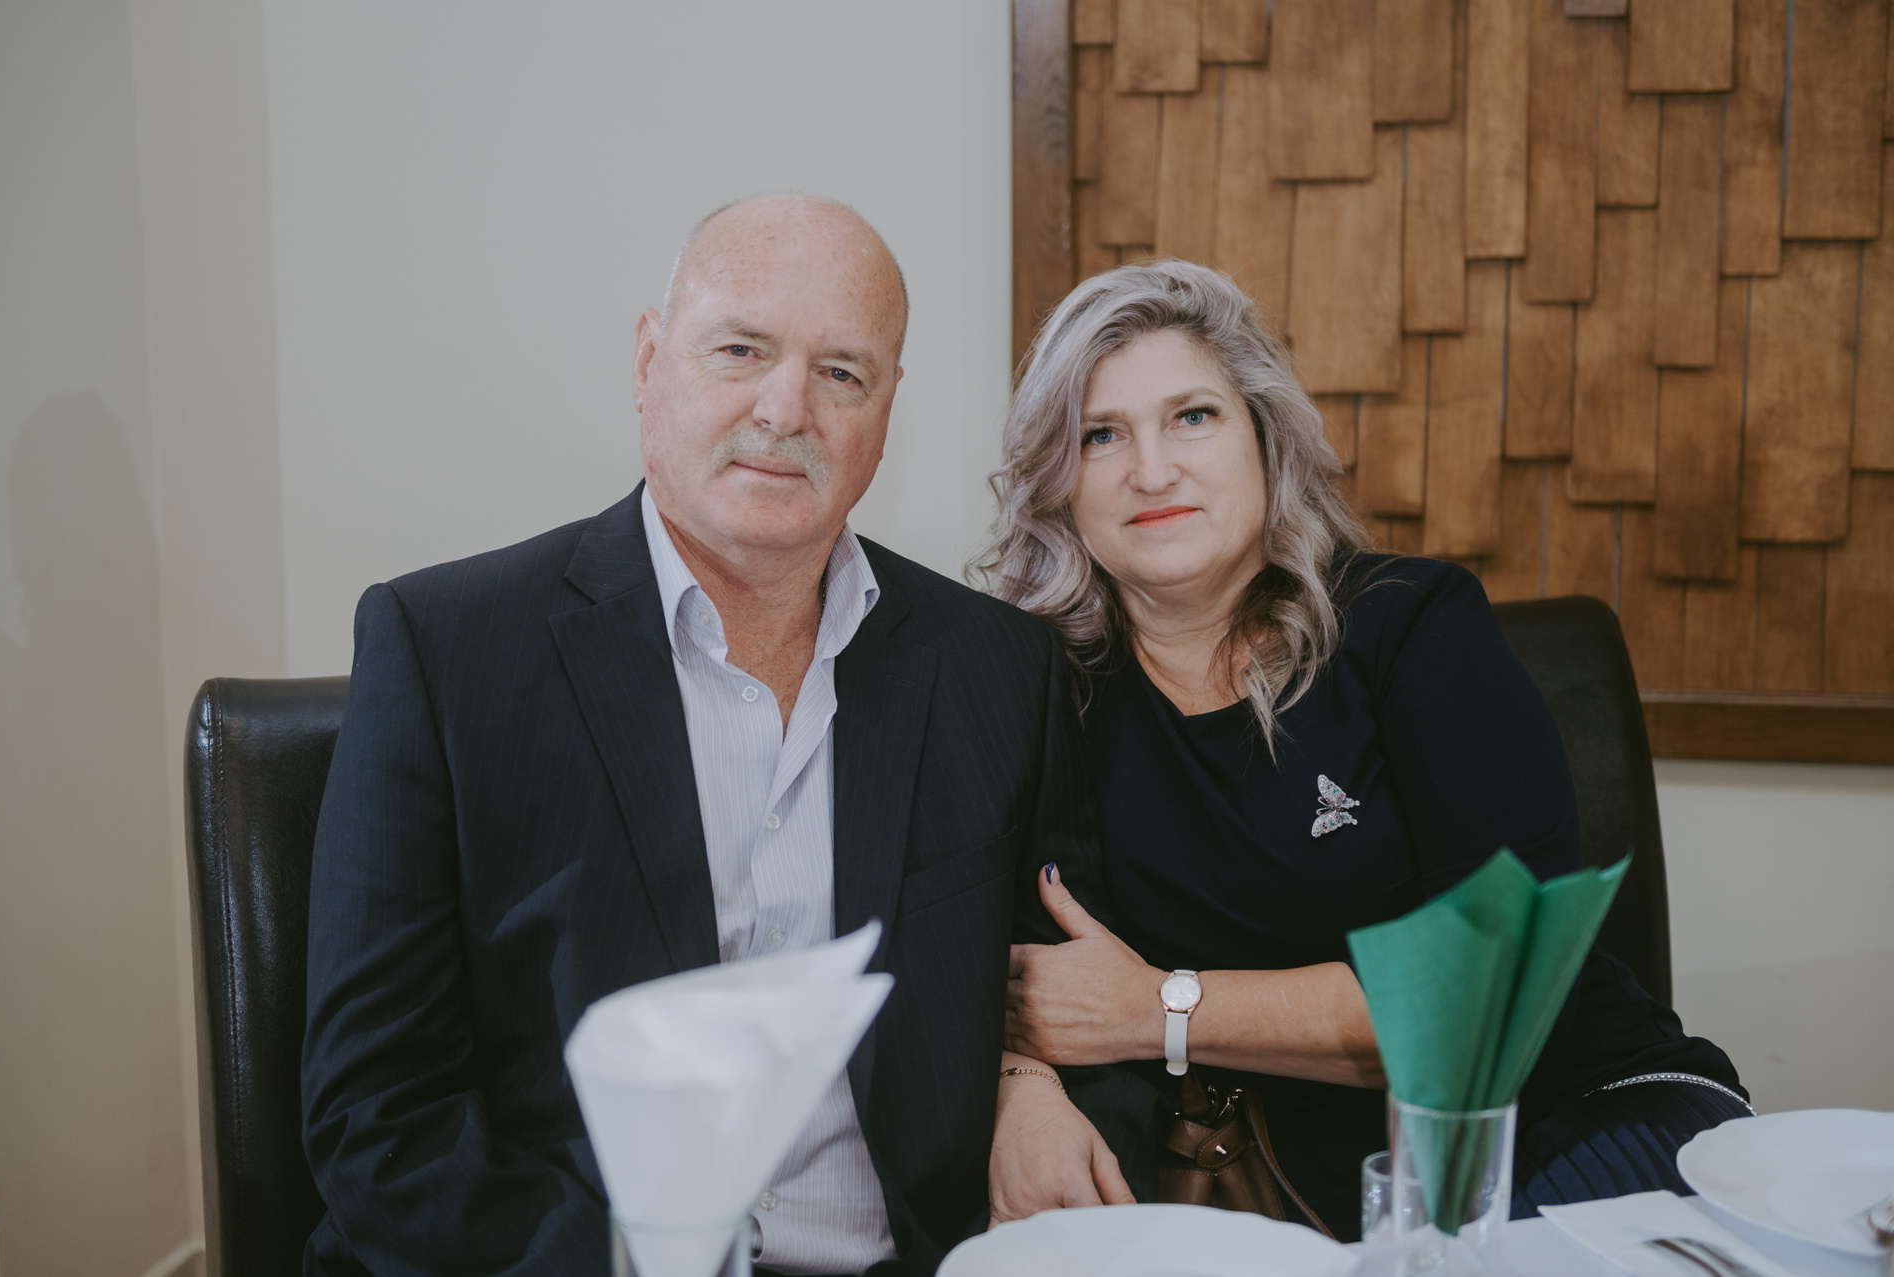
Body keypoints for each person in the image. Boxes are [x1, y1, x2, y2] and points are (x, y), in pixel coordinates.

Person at [301, 194, 1127, 1277]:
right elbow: (378, 1116)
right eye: (740, 350)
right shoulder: (445, 649)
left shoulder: (999, 668)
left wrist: (1033, 1084)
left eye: (842, 372)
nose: (786, 408)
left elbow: (1071, 1001)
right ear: (650, 361)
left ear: (887, 408)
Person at [974, 260, 1751, 1242]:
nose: (1153, 470)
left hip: (1575, 1112)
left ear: (1267, 441)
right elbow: (1009, 965)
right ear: (1058, 483)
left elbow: (1488, 995)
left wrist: (1160, 1009)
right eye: (1101, 435)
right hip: (1307, 1184)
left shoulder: (1412, 625)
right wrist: (1025, 1087)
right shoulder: (1039, 690)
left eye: (1193, 416)